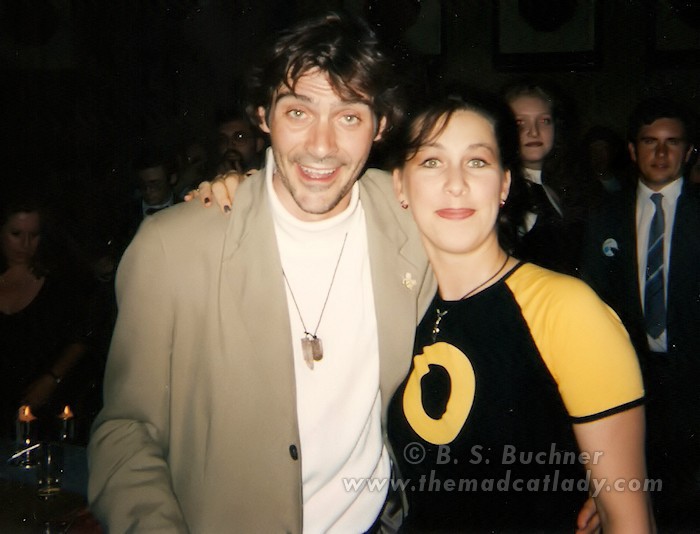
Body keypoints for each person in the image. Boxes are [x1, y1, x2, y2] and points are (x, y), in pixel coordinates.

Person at [88, 12, 435, 532]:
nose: (321, 145)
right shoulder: (173, 248)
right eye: (298, 112)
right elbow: (126, 429)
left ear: (381, 125)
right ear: (263, 115)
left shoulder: (416, 220)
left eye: (349, 117)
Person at [382, 90, 653, 532]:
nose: (456, 183)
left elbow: (630, 521)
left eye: (477, 162)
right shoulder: (395, 309)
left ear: (505, 184)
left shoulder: (564, 309)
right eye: (432, 162)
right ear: (400, 186)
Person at [580, 96, 700, 530]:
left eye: (672, 142)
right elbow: (592, 299)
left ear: (689, 152)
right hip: (631, 383)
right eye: (650, 142)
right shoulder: (604, 215)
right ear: (632, 150)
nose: (661, 153)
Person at [0, 190, 91, 440]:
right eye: (16, 234)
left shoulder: (58, 281)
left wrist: (52, 378)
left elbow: (81, 337)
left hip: (43, 408)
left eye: (33, 235)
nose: (25, 244)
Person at [503, 80, 588, 274]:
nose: (533, 132)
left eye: (544, 121)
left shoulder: (550, 189)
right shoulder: (505, 194)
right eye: (520, 123)